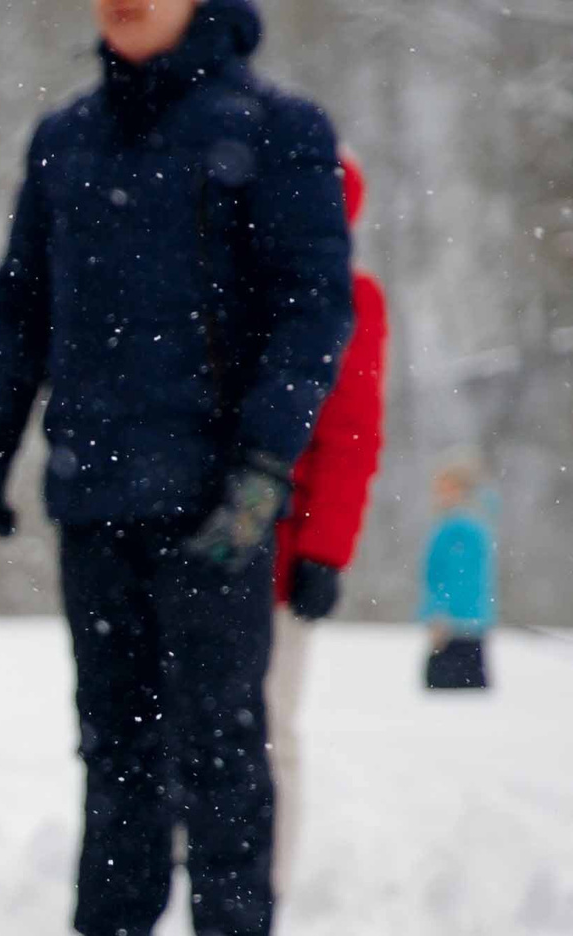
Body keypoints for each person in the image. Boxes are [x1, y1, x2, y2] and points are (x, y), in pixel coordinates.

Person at [0, 0, 353, 936]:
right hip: (93, 484)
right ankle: (112, 931)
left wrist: (263, 464)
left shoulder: (278, 130)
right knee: (111, 728)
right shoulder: (65, 139)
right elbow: (19, 306)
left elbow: (311, 312)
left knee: (221, 724)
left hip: (213, 491)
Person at [262, 148, 385, 891]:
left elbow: (350, 436)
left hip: (285, 553)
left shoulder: (350, 298)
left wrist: (325, 552)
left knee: (268, 720)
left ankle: (265, 873)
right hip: (210, 544)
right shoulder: (234, 283)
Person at [419, 452, 496, 691]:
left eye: (446, 486)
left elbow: (460, 577)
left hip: (457, 628)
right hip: (460, 626)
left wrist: (441, 613)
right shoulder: (457, 524)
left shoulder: (462, 528)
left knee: (451, 696)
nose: (439, 492)